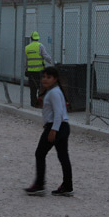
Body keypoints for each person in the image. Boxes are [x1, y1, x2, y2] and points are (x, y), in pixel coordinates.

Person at [24, 67, 73, 197]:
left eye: (49, 77)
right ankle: (67, 186)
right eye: (44, 76)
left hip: (56, 127)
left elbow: (59, 114)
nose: (45, 79)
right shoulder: (52, 91)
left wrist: (53, 130)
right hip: (62, 127)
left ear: (55, 79)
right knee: (63, 156)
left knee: (40, 153)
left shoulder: (54, 93)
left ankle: (39, 184)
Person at [23, 31, 54, 107]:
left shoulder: (27, 47)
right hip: (39, 71)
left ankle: (33, 103)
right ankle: (40, 103)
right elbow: (45, 56)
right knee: (41, 87)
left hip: (30, 71)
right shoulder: (40, 46)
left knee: (32, 88)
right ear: (37, 38)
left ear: (31, 38)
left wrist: (26, 69)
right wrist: (53, 62)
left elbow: (26, 60)